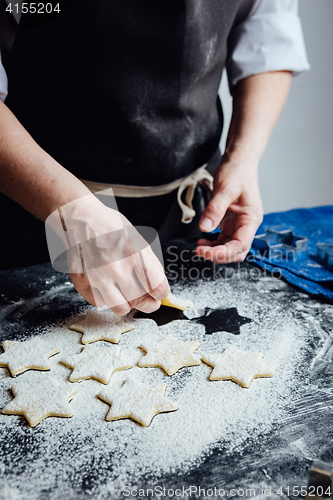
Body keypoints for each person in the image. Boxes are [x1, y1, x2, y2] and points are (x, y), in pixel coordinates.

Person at [0, 0, 309, 314]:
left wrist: (243, 157)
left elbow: (266, 32)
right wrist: (71, 210)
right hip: (38, 205)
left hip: (189, 209)